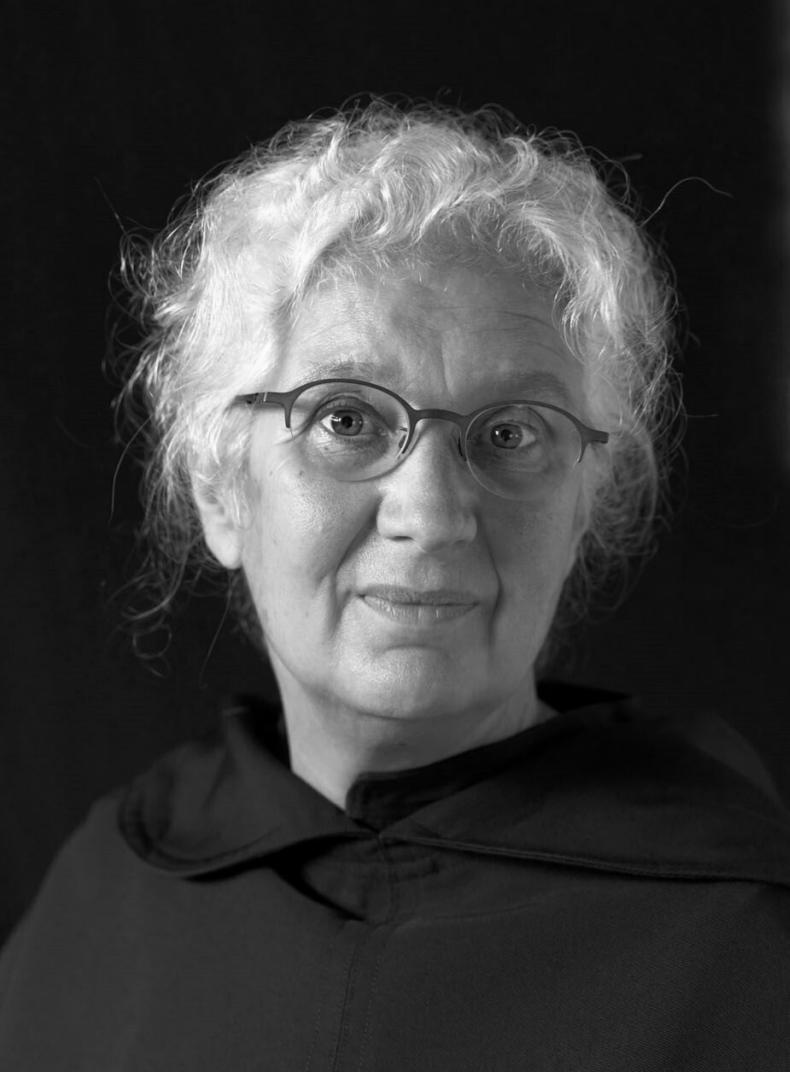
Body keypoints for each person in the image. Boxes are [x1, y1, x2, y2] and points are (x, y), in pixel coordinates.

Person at [1, 100, 789, 1072]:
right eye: (344, 419)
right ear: (220, 489)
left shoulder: (746, 948)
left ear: (586, 502)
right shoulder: (106, 896)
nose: (432, 511)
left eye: (510, 432)